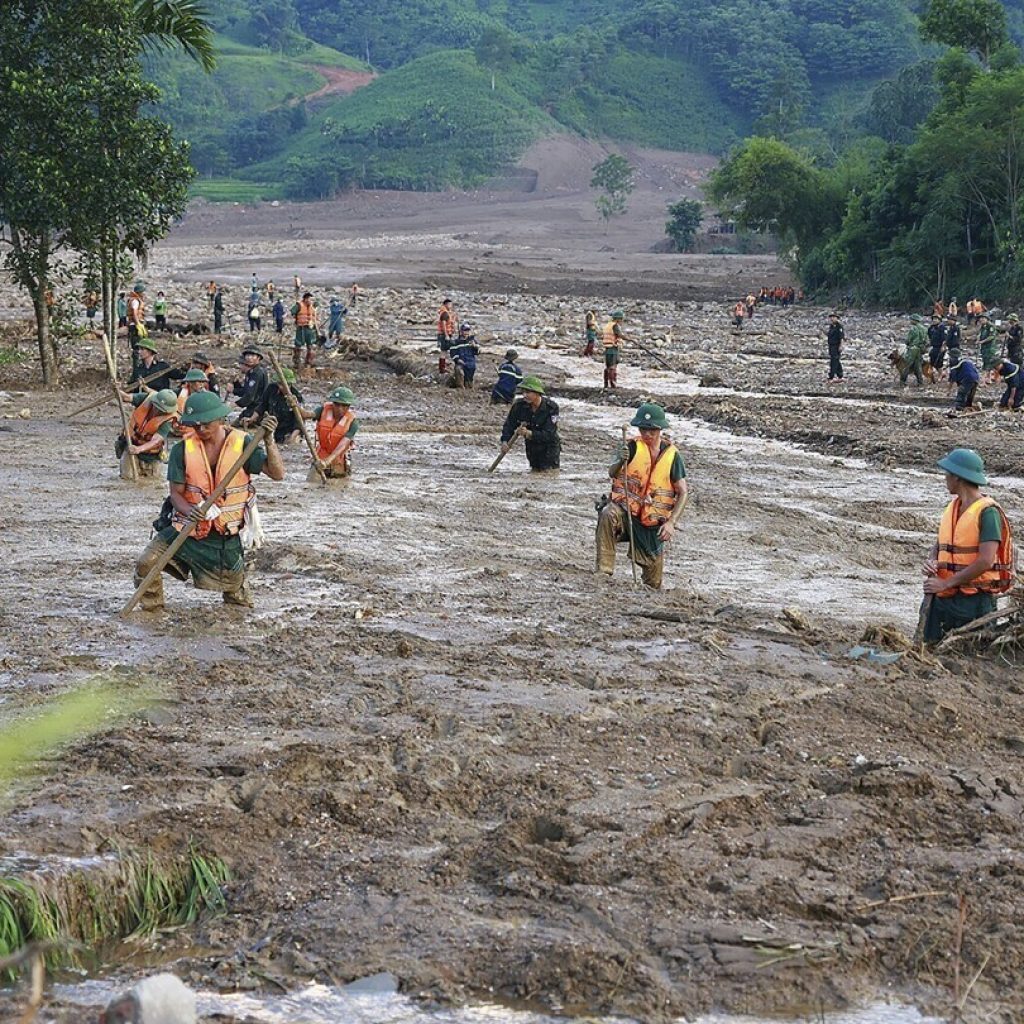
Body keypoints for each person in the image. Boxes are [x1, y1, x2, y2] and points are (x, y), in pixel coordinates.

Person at [132, 391, 285, 611]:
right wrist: (189, 510)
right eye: (196, 425)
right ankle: (153, 611)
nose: (201, 430)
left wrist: (269, 441)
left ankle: (236, 622)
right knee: (147, 562)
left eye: (206, 424)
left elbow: (277, 474)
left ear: (220, 419)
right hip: (188, 528)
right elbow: (176, 493)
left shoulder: (243, 444)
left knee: (236, 594)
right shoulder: (182, 449)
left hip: (224, 535)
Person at [922, 448, 1014, 643]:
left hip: (973, 603)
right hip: (944, 598)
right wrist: (932, 560)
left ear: (957, 477)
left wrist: (946, 583)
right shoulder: (954, 508)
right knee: (929, 649)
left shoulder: (988, 513)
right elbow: (940, 545)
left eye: (947, 473)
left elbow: (985, 561)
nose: (945, 478)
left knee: (968, 654)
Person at [595, 402, 688, 590]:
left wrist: (671, 523)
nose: (647, 434)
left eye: (652, 430)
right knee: (607, 513)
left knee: (654, 583)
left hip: (652, 522)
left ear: (660, 429)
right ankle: (603, 572)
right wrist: (621, 460)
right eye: (643, 429)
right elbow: (612, 473)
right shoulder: (630, 447)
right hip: (626, 513)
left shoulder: (672, 456)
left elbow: (683, 491)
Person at [498, 376, 560, 470]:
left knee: (549, 473)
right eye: (523, 392)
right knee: (534, 472)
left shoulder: (551, 408)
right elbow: (509, 425)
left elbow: (549, 434)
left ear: (537, 393)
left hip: (549, 449)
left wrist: (529, 433)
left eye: (528, 392)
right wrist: (505, 441)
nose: (524, 395)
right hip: (532, 449)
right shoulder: (519, 406)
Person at [115, 388, 179, 479]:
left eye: (162, 410)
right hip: (130, 445)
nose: (157, 411)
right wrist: (116, 389)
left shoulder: (169, 419)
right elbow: (126, 398)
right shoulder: (147, 399)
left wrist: (139, 449)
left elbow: (156, 440)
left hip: (151, 455)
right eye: (157, 407)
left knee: (154, 479)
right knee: (127, 477)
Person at [244, 368, 305, 445]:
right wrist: (252, 418)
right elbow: (263, 405)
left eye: (285, 385)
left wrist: (292, 438)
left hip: (291, 431)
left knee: (291, 445)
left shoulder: (296, 397)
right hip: (277, 429)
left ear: (290, 384)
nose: (281, 387)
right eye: (279, 384)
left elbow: (299, 421)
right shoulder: (271, 389)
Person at [310, 386, 359, 479]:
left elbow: (343, 445)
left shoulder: (353, 423)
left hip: (338, 461)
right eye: (336, 404)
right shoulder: (322, 410)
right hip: (320, 458)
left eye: (344, 405)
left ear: (348, 406)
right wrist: (296, 406)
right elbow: (308, 415)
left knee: (338, 487)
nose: (339, 408)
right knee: (311, 483)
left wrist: (327, 461)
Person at [231, 347, 268, 421]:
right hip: (252, 407)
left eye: (253, 356)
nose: (249, 358)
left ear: (258, 358)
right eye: (247, 356)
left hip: (258, 409)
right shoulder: (251, 372)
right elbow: (246, 391)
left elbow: (249, 397)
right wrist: (235, 387)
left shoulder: (256, 373)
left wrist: (235, 404)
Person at [946, 348, 980, 417]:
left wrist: (948, 391)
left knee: (961, 393)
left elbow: (952, 379)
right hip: (976, 378)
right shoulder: (966, 361)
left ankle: (959, 409)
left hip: (967, 379)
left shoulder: (954, 364)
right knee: (970, 396)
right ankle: (968, 407)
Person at [602, 309, 629, 390]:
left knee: (608, 367)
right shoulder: (615, 325)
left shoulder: (608, 325)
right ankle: (613, 384)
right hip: (613, 348)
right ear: (618, 319)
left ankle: (606, 385)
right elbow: (619, 334)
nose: (622, 321)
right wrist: (628, 338)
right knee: (613, 367)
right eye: (621, 319)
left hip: (607, 348)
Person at [292, 291, 318, 370]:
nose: (310, 300)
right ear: (305, 299)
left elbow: (314, 318)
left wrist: (316, 329)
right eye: (309, 299)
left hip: (310, 329)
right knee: (298, 345)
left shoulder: (312, 307)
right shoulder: (299, 305)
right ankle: (297, 362)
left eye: (311, 299)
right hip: (301, 328)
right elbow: (292, 312)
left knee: (311, 346)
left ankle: (309, 362)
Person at [899, 313, 927, 387]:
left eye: (911, 319)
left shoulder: (913, 328)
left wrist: (907, 344)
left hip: (912, 349)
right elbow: (927, 340)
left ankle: (902, 381)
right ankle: (920, 382)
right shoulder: (924, 329)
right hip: (920, 349)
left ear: (915, 320)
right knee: (918, 366)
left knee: (907, 365)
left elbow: (908, 340)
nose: (910, 321)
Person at [448, 323, 479, 388]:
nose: (466, 332)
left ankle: (468, 385)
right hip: (461, 362)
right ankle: (460, 387)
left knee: (469, 382)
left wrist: (475, 347)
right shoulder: (456, 342)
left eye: (468, 331)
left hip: (471, 363)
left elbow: (477, 352)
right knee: (458, 369)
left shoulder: (472, 341)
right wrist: (458, 360)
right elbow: (453, 353)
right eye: (465, 331)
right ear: (461, 331)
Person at [126, 281, 146, 373]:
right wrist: (138, 324)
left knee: (140, 347)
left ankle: (139, 368)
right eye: (142, 292)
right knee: (137, 348)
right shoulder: (135, 301)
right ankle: (137, 370)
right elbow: (134, 312)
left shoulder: (135, 300)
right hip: (134, 326)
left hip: (135, 325)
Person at [978, 312, 1000, 383]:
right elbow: (980, 334)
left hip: (990, 348)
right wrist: (978, 339)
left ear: (987, 319)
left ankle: (985, 380)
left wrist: (982, 341)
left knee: (989, 364)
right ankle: (988, 379)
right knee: (986, 363)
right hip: (984, 348)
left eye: (983, 318)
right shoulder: (982, 326)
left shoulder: (991, 326)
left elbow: (992, 336)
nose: (981, 320)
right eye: (980, 318)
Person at [436, 298, 456, 373]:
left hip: (445, 334)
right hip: (444, 335)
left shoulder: (447, 312)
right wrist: (446, 335)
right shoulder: (444, 313)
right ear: (446, 304)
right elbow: (443, 325)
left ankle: (443, 366)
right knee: (444, 351)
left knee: (445, 351)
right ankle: (442, 368)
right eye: (450, 304)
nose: (451, 306)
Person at [926, 314, 947, 382]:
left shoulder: (942, 328)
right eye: (933, 319)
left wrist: (943, 347)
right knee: (932, 361)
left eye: (936, 319)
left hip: (940, 347)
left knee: (939, 362)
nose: (934, 320)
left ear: (939, 320)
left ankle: (941, 374)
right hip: (933, 347)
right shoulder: (931, 328)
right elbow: (929, 336)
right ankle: (934, 375)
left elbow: (945, 339)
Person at [826, 312, 845, 383]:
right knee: (836, 361)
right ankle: (840, 376)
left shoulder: (839, 326)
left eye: (833, 317)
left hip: (836, 346)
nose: (832, 318)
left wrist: (841, 346)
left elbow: (841, 337)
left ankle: (831, 376)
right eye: (831, 317)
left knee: (834, 361)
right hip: (831, 345)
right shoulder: (831, 326)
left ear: (837, 318)